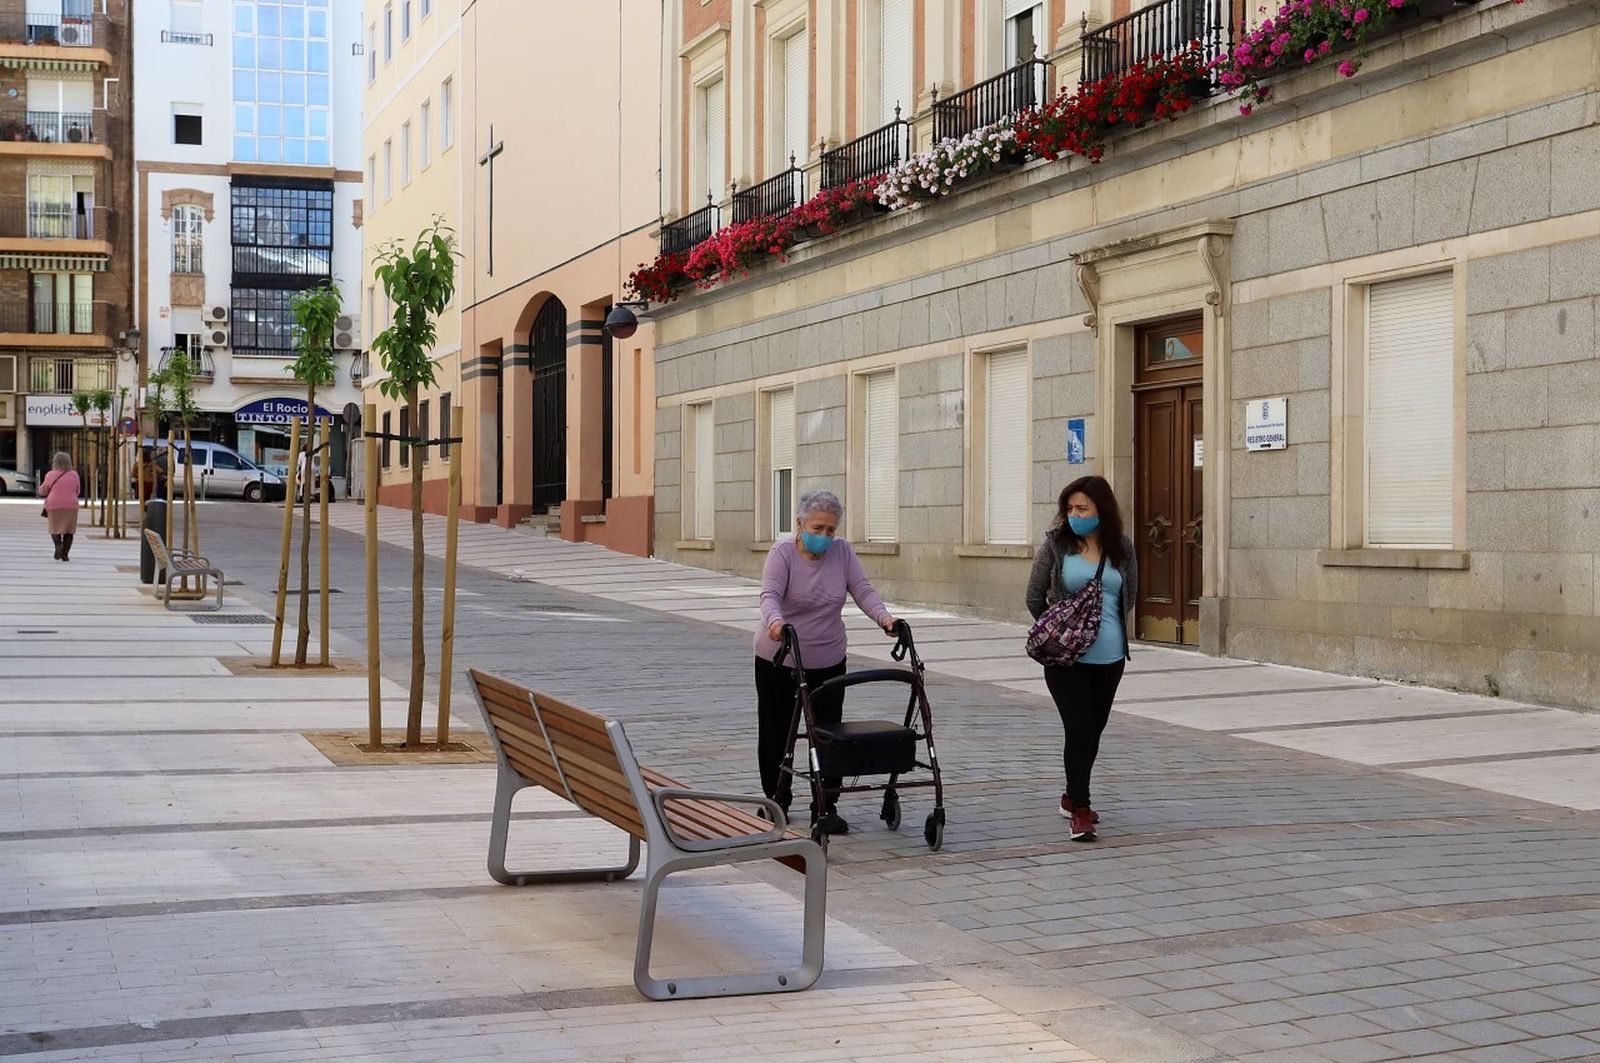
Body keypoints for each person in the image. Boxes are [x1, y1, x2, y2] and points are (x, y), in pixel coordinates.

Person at [755, 489, 898, 835]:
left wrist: (885, 620)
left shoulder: (843, 553)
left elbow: (862, 590)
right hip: (781, 655)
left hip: (829, 656)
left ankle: (825, 803)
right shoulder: (783, 553)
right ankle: (777, 799)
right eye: (818, 528)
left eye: (831, 530)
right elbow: (769, 595)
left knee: (828, 732)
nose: (825, 537)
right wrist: (775, 623)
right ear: (800, 524)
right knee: (776, 732)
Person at [1025, 474, 1138, 843]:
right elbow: (1033, 596)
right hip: (1066, 660)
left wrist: (1105, 629)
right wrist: (1061, 632)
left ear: (1101, 510)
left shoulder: (1122, 547)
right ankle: (1082, 810)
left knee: (1094, 732)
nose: (1074, 515)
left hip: (1111, 656)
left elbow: (1129, 596)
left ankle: (1071, 794)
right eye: (1069, 508)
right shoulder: (1057, 546)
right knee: (1079, 730)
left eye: (1082, 508)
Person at [38, 451, 82, 562]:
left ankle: (58, 545)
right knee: (69, 531)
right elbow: (78, 491)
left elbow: (43, 491)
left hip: (54, 505)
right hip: (71, 505)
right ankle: (65, 555)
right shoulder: (74, 474)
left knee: (54, 528)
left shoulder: (50, 474)